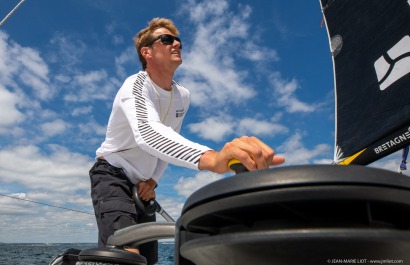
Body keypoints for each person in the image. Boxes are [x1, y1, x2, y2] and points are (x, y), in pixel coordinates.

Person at [89, 17, 285, 265]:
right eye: (167, 39)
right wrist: (213, 159)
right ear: (146, 52)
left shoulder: (183, 96)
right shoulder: (136, 85)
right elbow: (149, 133)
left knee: (148, 260)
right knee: (125, 256)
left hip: (143, 186)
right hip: (112, 175)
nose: (176, 44)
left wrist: (153, 180)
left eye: (178, 40)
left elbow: (171, 138)